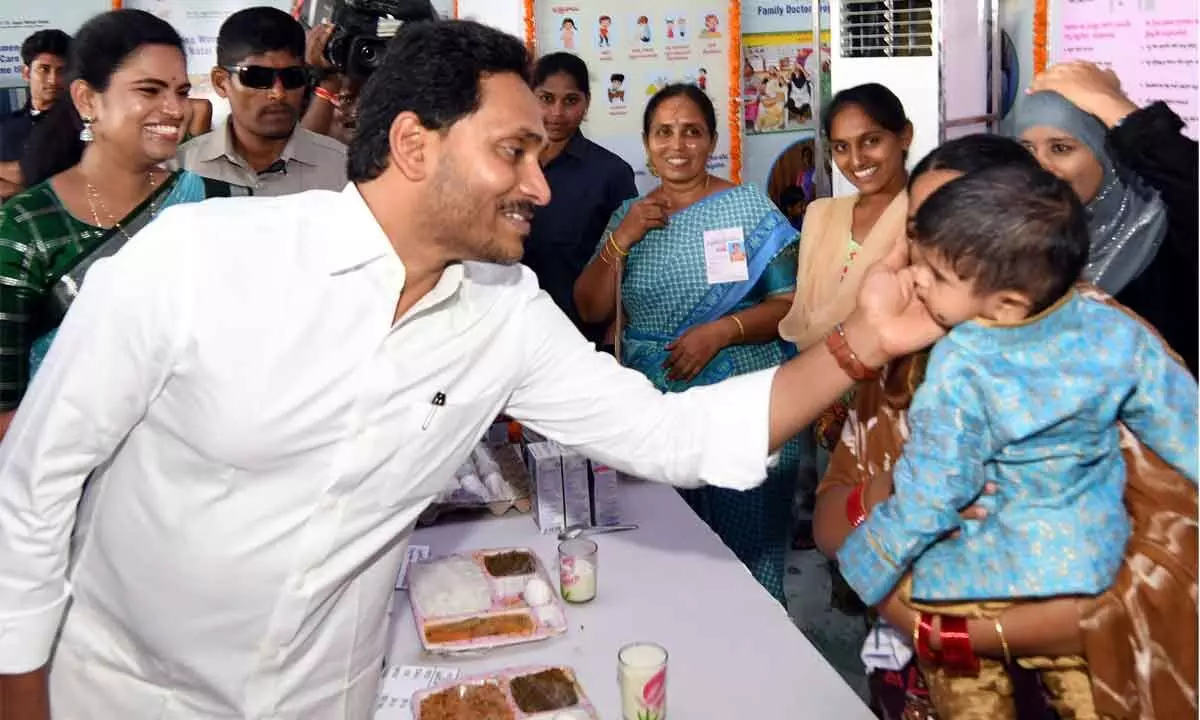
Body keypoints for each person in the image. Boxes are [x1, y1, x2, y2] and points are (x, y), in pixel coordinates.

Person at [0, 20, 944, 719]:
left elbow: (677, 434)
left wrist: (860, 342)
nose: (541, 182)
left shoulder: (504, 314)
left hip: (322, 699)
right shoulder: (196, 260)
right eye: (515, 151)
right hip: (123, 696)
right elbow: (33, 490)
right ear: (414, 144)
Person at [813, 134, 1199, 720]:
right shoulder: (904, 352)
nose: (924, 259)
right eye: (921, 229)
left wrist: (961, 632)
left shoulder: (1101, 353)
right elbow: (828, 519)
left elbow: (1172, 576)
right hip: (915, 683)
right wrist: (890, 492)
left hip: (1093, 680)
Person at [573, 84, 802, 603]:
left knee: (745, 555)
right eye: (664, 133)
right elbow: (590, 308)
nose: (678, 145)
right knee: (669, 550)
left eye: (691, 132)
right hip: (654, 411)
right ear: (648, 143)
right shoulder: (630, 215)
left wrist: (720, 332)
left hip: (740, 407)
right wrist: (621, 238)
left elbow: (789, 303)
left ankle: (760, 652)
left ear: (711, 140)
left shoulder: (746, 209)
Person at [0, 10, 247, 440]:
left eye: (181, 91)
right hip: (59, 480)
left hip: (199, 471)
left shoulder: (219, 205)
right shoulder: (26, 227)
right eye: (150, 90)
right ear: (86, 100)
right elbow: (5, 410)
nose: (175, 109)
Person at [1012, 61, 1198, 375]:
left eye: (1061, 148)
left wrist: (1107, 103)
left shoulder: (1167, 235)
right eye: (1028, 149)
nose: (1040, 167)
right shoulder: (1018, 234)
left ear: (1107, 155)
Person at [779, 83, 911, 468]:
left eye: (871, 140)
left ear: (904, 136)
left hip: (900, 402)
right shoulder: (822, 215)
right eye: (841, 147)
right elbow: (806, 316)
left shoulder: (926, 213)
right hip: (824, 401)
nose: (856, 159)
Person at [175, 6, 347, 195]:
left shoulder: (343, 169)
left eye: (293, 77)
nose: (278, 93)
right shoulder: (179, 171)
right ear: (221, 83)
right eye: (257, 78)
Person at [527, 52, 637, 346]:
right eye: (546, 98)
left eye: (571, 100)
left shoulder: (612, 174)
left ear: (586, 103)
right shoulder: (505, 164)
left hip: (580, 335)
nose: (557, 113)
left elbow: (629, 262)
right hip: (512, 329)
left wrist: (618, 325)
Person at [0, 29, 70, 199]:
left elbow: (32, 173)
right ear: (26, 73)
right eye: (44, 69)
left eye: (61, 71)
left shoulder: (81, 126)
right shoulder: (5, 125)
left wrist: (19, 190)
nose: (53, 80)